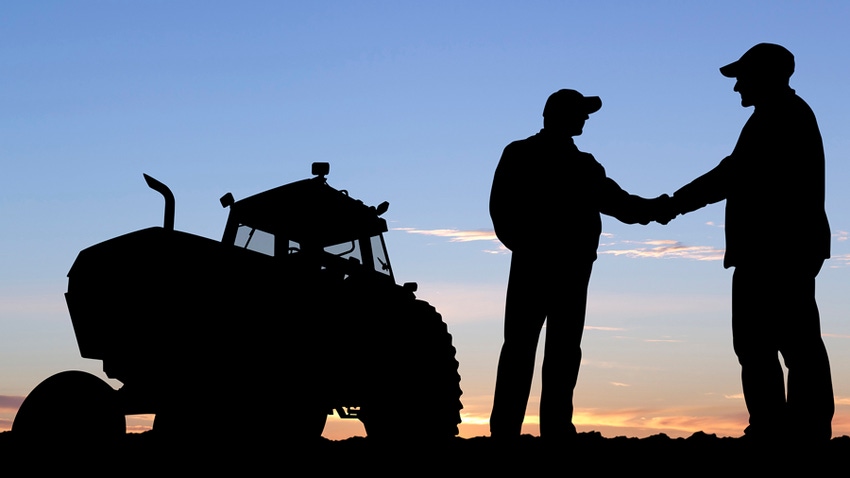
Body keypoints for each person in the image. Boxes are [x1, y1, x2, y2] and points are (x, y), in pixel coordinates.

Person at [661, 43, 834, 443]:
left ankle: (786, 431)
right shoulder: (779, 115)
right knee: (777, 343)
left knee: (776, 344)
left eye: (743, 76)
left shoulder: (780, 117)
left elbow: (731, 174)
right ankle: (784, 428)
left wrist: (674, 203)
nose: (737, 85)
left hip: (774, 250)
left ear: (765, 76)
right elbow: (735, 173)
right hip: (781, 248)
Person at [489, 88, 666, 441]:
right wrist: (659, 208)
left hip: (558, 267)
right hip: (552, 266)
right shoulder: (536, 156)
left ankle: (531, 430)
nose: (585, 118)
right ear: (559, 115)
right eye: (580, 112)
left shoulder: (573, 162)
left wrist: (655, 208)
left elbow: (621, 204)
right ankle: (528, 430)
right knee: (538, 349)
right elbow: (502, 209)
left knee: (550, 349)